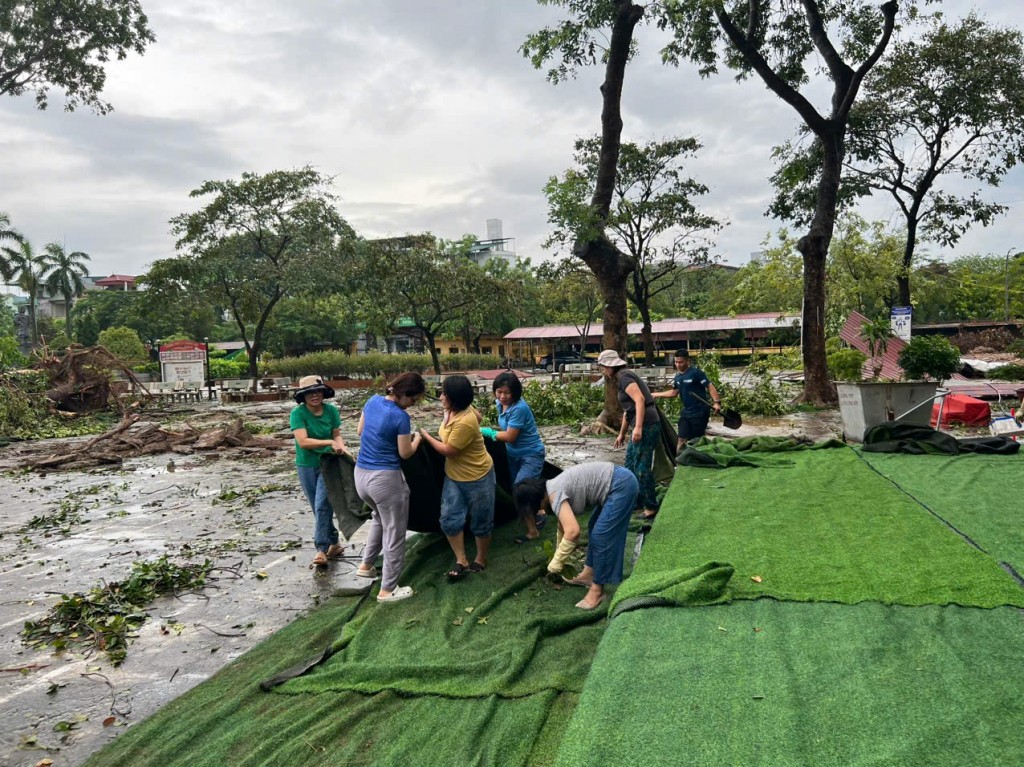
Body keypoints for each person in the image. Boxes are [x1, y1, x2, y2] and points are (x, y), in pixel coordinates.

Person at [513, 462, 639, 610]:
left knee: (601, 536)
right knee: (594, 526)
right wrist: (558, 553)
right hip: (618, 480)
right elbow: (562, 526)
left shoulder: (555, 494)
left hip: (622, 485)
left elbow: (573, 532)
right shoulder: (552, 487)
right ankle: (588, 575)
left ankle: (597, 591)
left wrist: (557, 562)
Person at [354, 372, 425, 603]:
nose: (412, 405)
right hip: (384, 479)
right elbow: (405, 453)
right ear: (405, 394)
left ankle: (366, 565)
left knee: (378, 518)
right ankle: (388, 589)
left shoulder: (372, 401)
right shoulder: (400, 417)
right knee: (395, 531)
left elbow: (360, 431)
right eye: (413, 400)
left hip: (361, 476)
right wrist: (418, 439)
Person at [420, 375, 496, 581]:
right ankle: (461, 559)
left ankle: (480, 559)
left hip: (478, 476)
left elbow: (449, 450)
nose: (441, 397)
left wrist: (426, 436)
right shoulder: (456, 410)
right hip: (454, 476)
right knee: (449, 519)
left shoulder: (465, 420)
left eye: (445, 394)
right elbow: (480, 418)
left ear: (456, 398)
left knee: (481, 520)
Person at [596, 349, 662, 521]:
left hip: (647, 425)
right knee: (630, 464)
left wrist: (638, 427)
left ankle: (651, 506)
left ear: (610, 366)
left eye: (603, 367)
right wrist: (622, 433)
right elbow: (628, 411)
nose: (603, 371)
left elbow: (639, 400)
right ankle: (638, 500)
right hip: (639, 425)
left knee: (641, 468)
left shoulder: (625, 376)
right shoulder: (621, 378)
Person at [481, 371, 547, 540]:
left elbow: (510, 436)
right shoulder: (500, 404)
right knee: (520, 488)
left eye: (507, 392)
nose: (502, 396)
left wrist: (487, 432)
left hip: (531, 455)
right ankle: (539, 510)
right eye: (499, 391)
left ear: (515, 392)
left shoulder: (519, 408)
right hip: (513, 455)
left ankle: (533, 530)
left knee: (520, 490)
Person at [290, 375, 348, 566]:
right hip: (306, 465)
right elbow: (303, 442)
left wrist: (342, 449)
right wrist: (329, 442)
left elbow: (337, 435)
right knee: (317, 508)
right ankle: (334, 542)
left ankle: (321, 549)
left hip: (329, 465)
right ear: (303, 397)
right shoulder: (298, 414)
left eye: (317, 391)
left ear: (323, 393)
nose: (314, 395)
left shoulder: (331, 411)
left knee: (323, 505)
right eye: (309, 393)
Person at [653, 349, 722, 452]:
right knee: (681, 439)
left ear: (687, 361)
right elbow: (674, 392)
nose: (678, 364)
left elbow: (710, 386)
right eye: (676, 362)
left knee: (697, 441)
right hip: (686, 413)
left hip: (700, 412)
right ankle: (679, 463)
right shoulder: (678, 377)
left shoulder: (696, 373)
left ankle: (699, 461)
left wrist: (716, 403)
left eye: (680, 362)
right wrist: (656, 394)